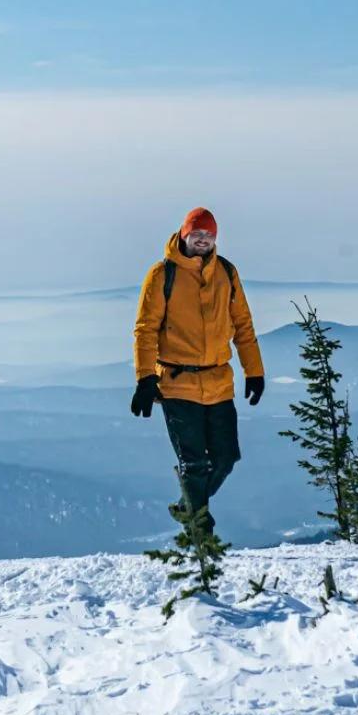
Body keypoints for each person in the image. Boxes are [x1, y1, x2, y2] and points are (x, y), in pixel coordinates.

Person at [130, 207, 265, 536]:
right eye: (197, 234)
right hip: (177, 384)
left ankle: (186, 509)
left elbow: (243, 326)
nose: (203, 240)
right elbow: (146, 329)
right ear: (184, 234)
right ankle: (201, 538)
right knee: (194, 465)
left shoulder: (227, 273)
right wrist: (145, 378)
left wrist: (254, 371)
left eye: (209, 235)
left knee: (226, 459)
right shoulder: (163, 275)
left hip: (218, 382)